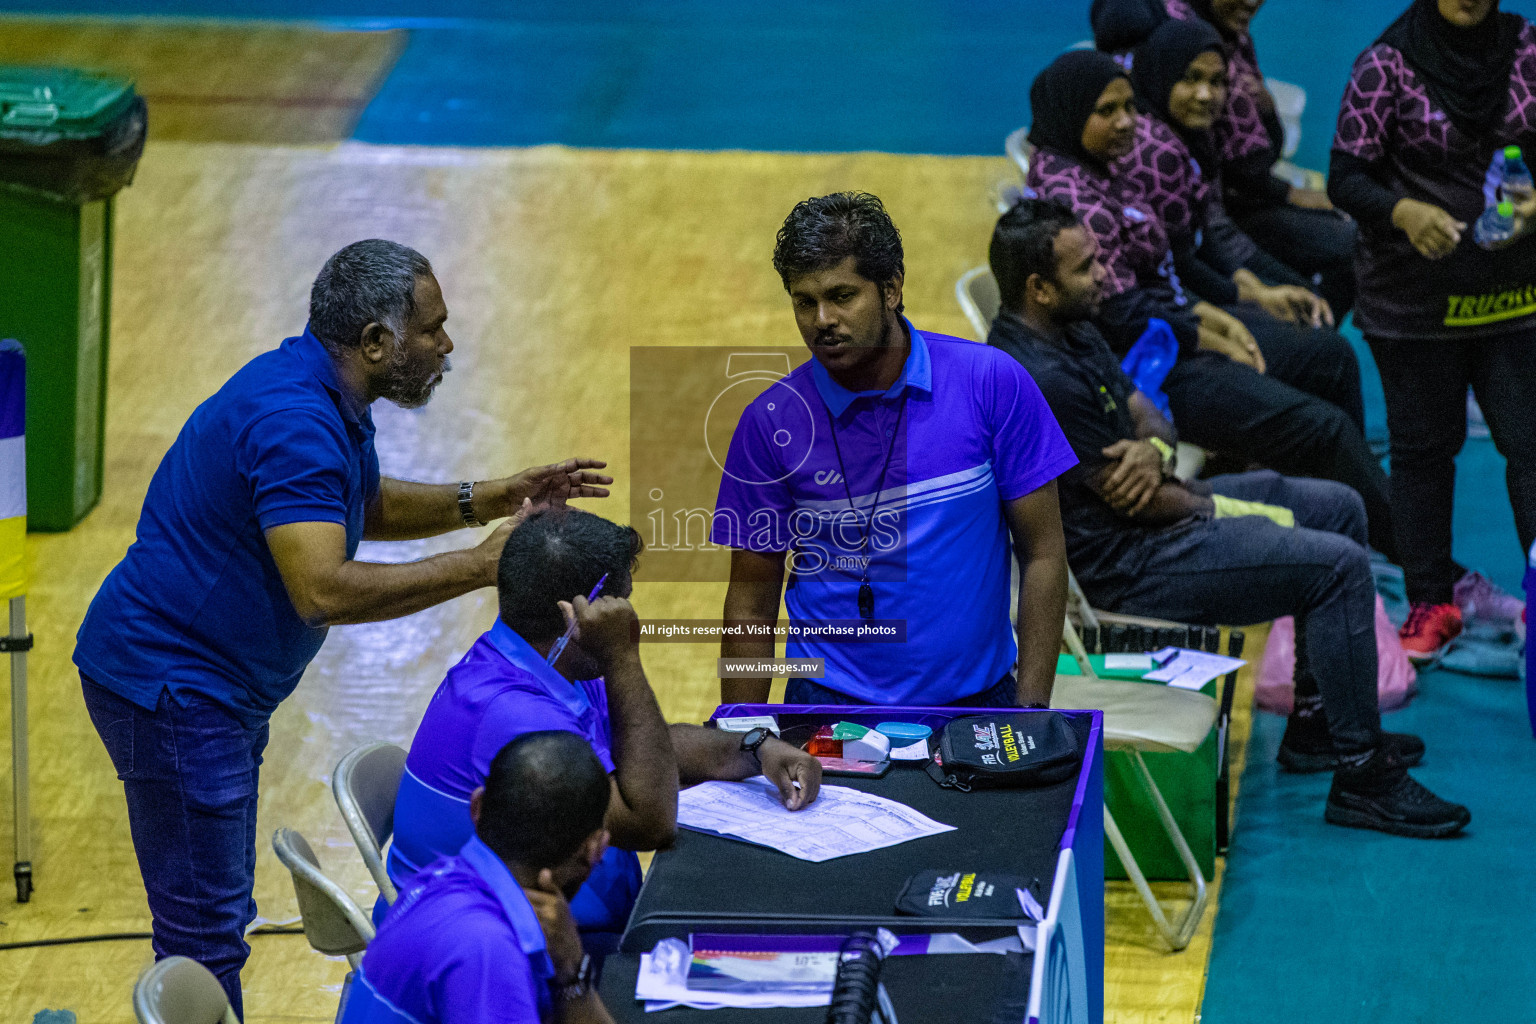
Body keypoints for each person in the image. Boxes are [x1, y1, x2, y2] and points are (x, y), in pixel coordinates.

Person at [72, 239, 612, 1015]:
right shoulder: (293, 421)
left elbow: (354, 500)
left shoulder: (323, 393)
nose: (447, 344)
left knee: (215, 919)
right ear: (376, 341)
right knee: (206, 936)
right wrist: (479, 566)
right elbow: (321, 589)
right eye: (432, 328)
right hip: (174, 690)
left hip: (212, 688)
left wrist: (488, 497)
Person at [986, 197, 1469, 837]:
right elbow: (1141, 502)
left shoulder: (1074, 327)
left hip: (1163, 515)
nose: (1105, 274)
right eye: (1086, 267)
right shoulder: (1036, 376)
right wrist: (1223, 504)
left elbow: (1151, 416)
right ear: (1039, 288)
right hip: (1129, 567)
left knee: (1339, 506)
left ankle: (1318, 725)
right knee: (1337, 566)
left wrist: (1154, 451)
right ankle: (1363, 778)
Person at [389, 505, 823, 954]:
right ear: (578, 615)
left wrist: (756, 747)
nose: (630, 614)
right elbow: (649, 822)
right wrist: (623, 657)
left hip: (562, 920)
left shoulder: (548, 660)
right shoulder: (513, 713)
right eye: (622, 602)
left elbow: (642, 750)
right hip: (489, 945)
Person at [712, 191, 1077, 708]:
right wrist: (740, 731)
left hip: (979, 700)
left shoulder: (992, 384)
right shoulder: (769, 423)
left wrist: (1032, 709)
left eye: (842, 296)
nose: (822, 319)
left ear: (891, 288)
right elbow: (751, 602)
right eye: (804, 301)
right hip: (827, 702)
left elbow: (1042, 554)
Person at [1026, 52, 1397, 558]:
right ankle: (1417, 564)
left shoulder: (1101, 169)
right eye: (1106, 111)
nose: (1127, 123)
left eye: (1130, 107)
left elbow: (1171, 266)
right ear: (1071, 114)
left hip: (1170, 332)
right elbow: (1122, 318)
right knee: (1324, 429)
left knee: (1328, 357)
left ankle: (1356, 526)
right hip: (1149, 371)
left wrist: (1230, 307)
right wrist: (1213, 335)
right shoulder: (1074, 202)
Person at [1331, 0, 1536, 659]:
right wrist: (1403, 212)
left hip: (1514, 298)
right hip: (1413, 306)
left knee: (1531, 445)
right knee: (1423, 452)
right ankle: (1432, 601)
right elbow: (1346, 180)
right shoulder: (1386, 65)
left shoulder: (1527, 49)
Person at [1090, 0, 1358, 314]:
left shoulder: (1224, 51)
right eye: (1190, 78)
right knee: (1309, 308)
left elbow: (1210, 229)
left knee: (1322, 284)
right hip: (1204, 252)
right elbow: (1182, 257)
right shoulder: (1157, 149)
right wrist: (1247, 295)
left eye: (1217, 82)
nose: (1205, 94)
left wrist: (1266, 109)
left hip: (1217, 233)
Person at [341, 731, 616, 1024]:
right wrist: (574, 971)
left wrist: (569, 970)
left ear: (476, 806)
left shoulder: (439, 877)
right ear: (595, 849)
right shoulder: (488, 951)